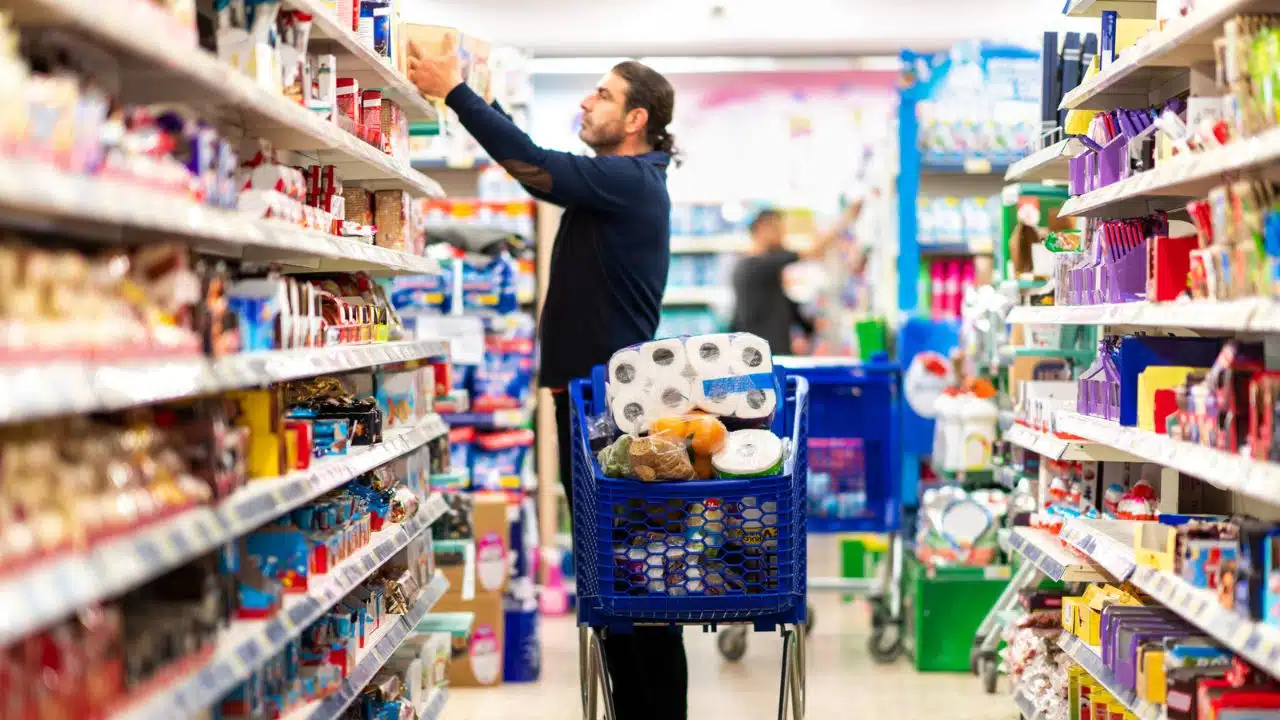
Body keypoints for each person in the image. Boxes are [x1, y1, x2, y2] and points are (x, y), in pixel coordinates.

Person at [407, 41, 687, 720]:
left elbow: (534, 170)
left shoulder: (631, 183)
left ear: (635, 120)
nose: (587, 102)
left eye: (604, 95)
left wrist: (457, 93)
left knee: (635, 585)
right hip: (595, 404)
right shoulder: (615, 184)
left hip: (615, 413)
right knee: (614, 583)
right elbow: (545, 165)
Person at [729, 202, 863, 355]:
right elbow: (813, 252)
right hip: (761, 358)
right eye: (777, 229)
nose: (782, 235)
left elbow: (781, 305)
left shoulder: (763, 269)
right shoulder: (754, 266)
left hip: (769, 355)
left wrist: (809, 326)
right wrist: (846, 219)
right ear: (762, 228)